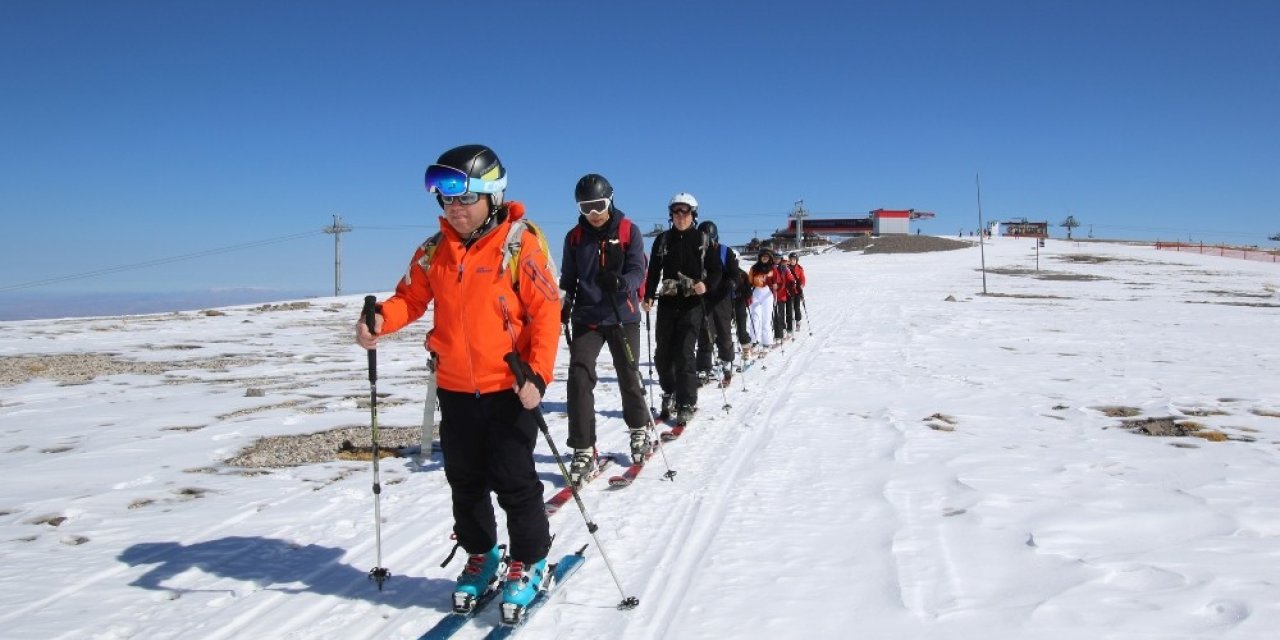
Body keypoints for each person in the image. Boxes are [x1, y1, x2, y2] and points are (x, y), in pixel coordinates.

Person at [353, 144, 560, 615]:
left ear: (491, 196)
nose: (454, 208)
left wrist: (539, 376)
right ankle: (482, 556)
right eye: (446, 199)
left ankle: (531, 560)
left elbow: (546, 313)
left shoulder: (520, 243)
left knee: (513, 479)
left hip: (510, 386)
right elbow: (410, 298)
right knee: (463, 480)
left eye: (463, 198)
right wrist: (380, 320)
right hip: (455, 387)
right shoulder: (434, 251)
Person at [559, 174, 651, 481]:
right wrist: (565, 302)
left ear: (610, 200)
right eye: (587, 207)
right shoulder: (574, 238)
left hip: (622, 315)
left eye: (598, 205)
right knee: (578, 377)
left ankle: (638, 430)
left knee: (628, 373)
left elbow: (639, 269)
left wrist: (623, 283)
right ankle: (583, 447)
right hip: (587, 318)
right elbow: (568, 279)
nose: (594, 213)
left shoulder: (628, 231)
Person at [642, 193, 722, 426]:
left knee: (685, 353)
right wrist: (648, 296)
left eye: (684, 211)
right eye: (676, 212)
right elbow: (654, 271)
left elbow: (716, 271)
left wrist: (705, 285)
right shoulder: (663, 240)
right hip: (668, 304)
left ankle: (686, 402)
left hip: (692, 305)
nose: (680, 216)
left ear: (693, 214)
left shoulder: (703, 239)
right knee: (662, 355)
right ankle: (670, 391)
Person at [694, 220, 740, 385]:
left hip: (721, 298)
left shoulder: (724, 251)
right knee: (704, 334)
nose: (706, 243)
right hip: (703, 298)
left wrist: (732, 283)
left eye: (708, 239)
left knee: (723, 332)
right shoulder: (696, 252)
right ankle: (703, 368)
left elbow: (735, 273)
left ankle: (727, 362)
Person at [746, 248, 778, 355]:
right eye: (763, 256)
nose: (764, 258)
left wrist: (775, 285)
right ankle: (754, 342)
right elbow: (749, 282)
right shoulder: (754, 268)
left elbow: (778, 281)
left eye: (767, 257)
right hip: (756, 293)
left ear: (770, 258)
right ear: (759, 257)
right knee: (755, 317)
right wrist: (747, 293)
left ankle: (767, 343)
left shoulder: (773, 269)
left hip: (767, 294)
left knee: (766, 319)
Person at [773, 253, 796, 342]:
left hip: (784, 294)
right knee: (777, 314)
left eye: (778, 258)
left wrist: (791, 283)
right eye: (775, 258)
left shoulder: (784, 268)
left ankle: (786, 329)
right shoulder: (771, 268)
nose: (776, 260)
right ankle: (779, 331)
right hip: (775, 295)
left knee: (785, 313)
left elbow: (791, 278)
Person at [788, 252, 807, 326]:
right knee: (789, 308)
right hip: (788, 291)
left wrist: (802, 285)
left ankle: (798, 320)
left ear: (796, 260)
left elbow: (803, 279)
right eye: (791, 259)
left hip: (797, 291)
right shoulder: (786, 267)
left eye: (794, 259)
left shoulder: (799, 268)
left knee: (797, 307)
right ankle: (789, 322)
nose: (792, 261)